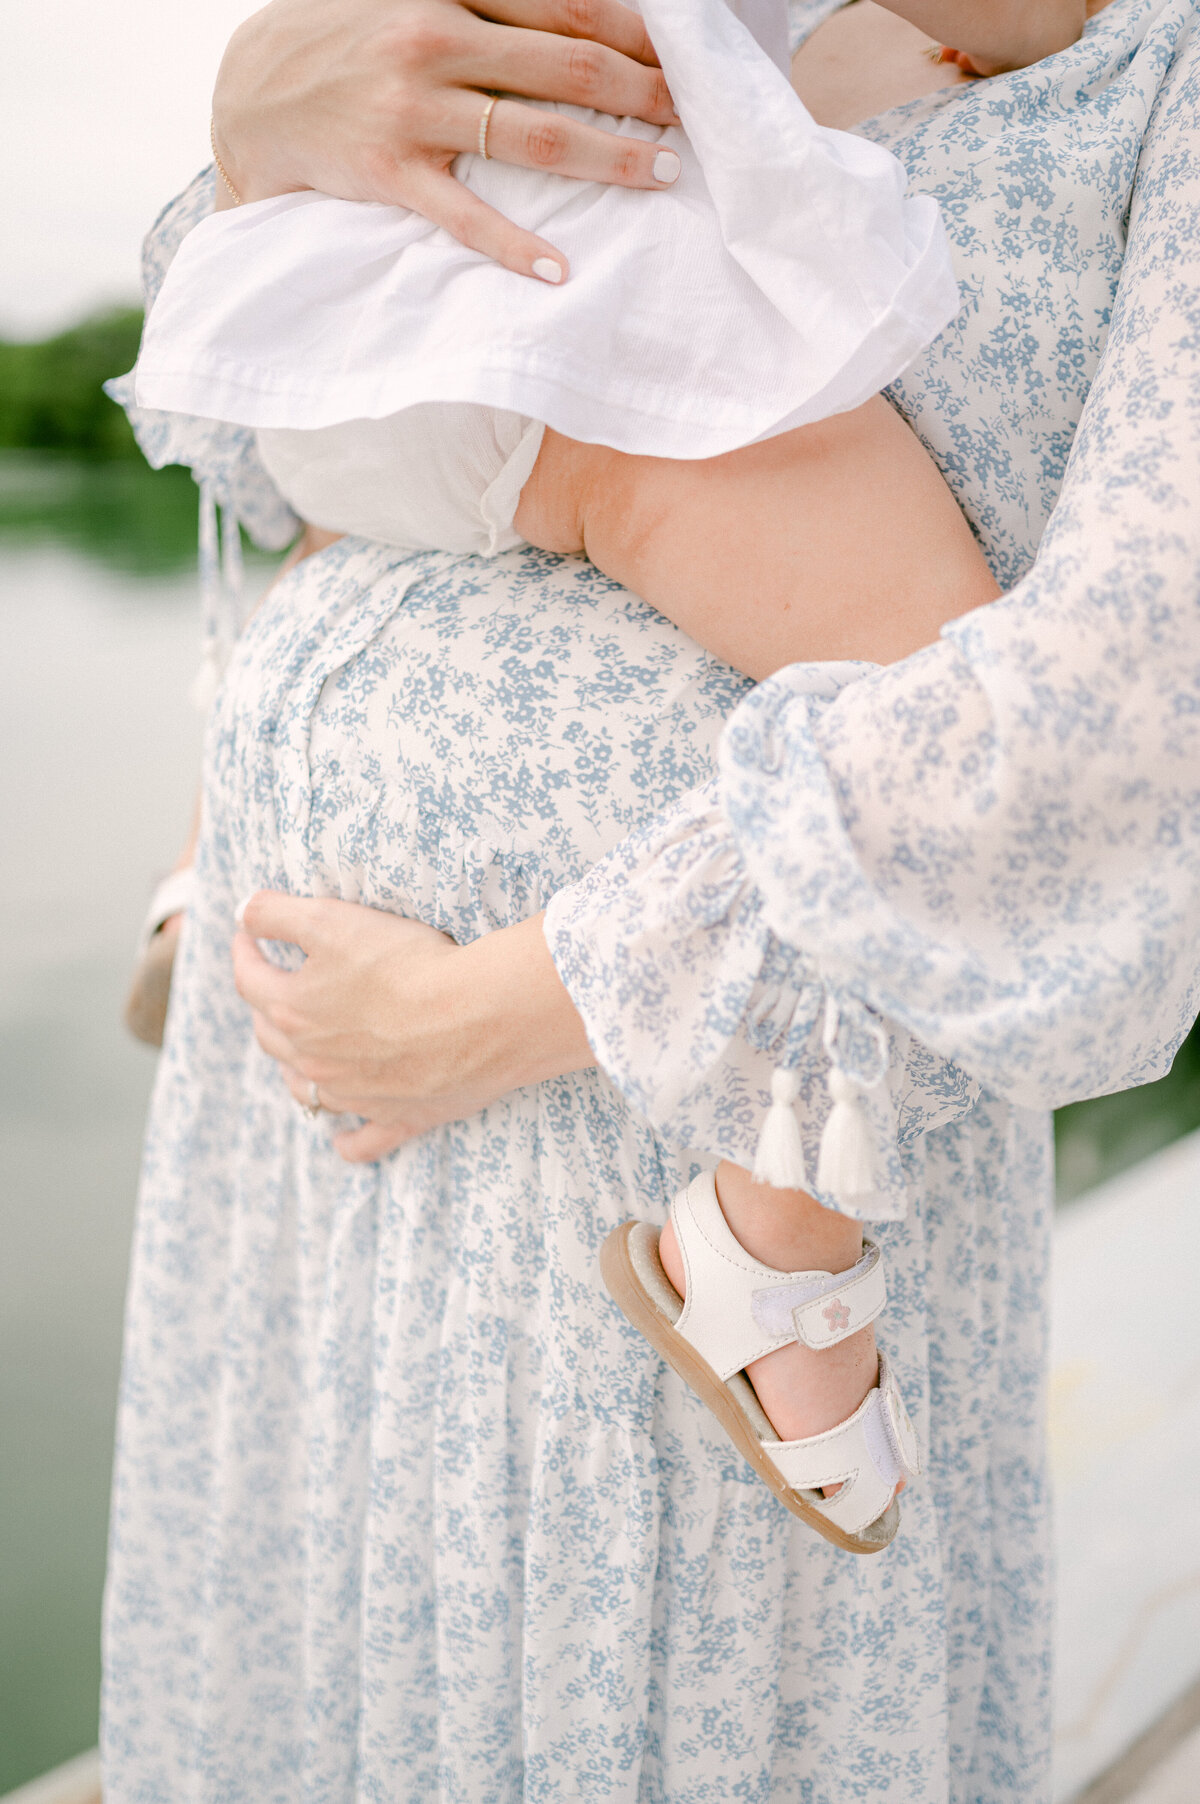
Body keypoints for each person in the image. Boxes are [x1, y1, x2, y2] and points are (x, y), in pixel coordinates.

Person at [103, 0, 1199, 1798]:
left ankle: (767, 1268)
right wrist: (259, 131)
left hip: (636, 1152)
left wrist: (497, 1010)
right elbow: (243, 429)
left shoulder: (1149, 78)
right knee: (302, 1699)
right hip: (301, 1124)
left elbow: (1130, 742)